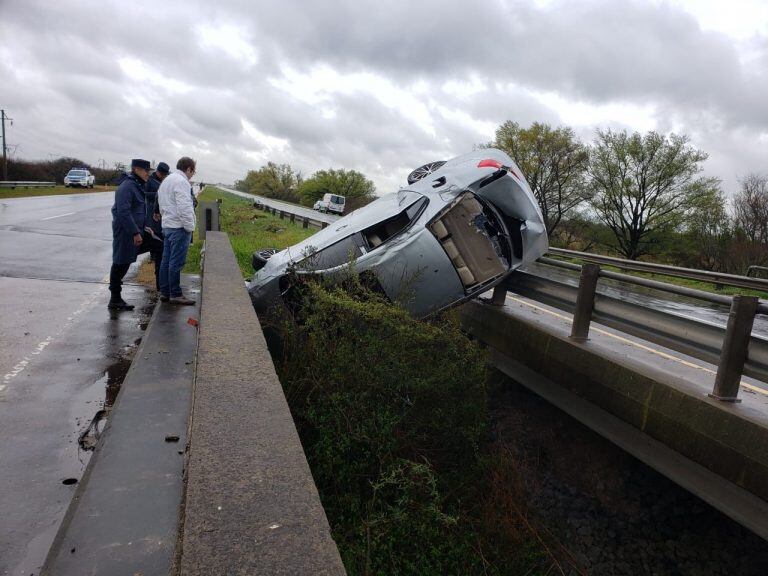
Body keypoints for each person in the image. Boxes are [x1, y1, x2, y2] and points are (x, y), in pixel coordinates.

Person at [108, 159, 150, 310]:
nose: (148, 174)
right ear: (137, 169)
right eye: (146, 171)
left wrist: (144, 228)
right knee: (120, 262)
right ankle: (115, 299)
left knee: (125, 261)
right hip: (126, 231)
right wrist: (135, 232)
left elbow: (138, 210)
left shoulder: (137, 185)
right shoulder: (127, 186)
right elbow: (123, 212)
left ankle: (116, 298)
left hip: (134, 230)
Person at [157, 156, 197, 305]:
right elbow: (184, 207)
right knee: (176, 262)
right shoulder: (182, 182)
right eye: (193, 171)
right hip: (179, 227)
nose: (192, 174)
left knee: (166, 260)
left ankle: (165, 292)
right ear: (188, 169)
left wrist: (165, 218)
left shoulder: (167, 180)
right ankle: (175, 293)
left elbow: (160, 203)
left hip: (167, 225)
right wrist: (189, 227)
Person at [144, 162, 170, 290]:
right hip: (152, 218)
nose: (163, 176)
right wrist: (158, 194)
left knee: (161, 251)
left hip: (162, 219)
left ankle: (161, 283)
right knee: (157, 247)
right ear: (158, 172)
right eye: (162, 174)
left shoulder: (165, 181)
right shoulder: (150, 181)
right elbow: (144, 194)